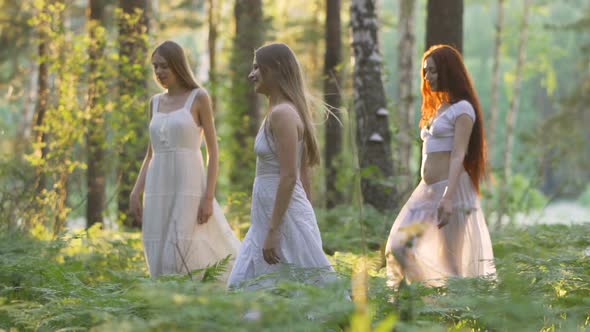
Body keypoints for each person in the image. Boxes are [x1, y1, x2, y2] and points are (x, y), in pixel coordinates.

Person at [385, 44, 496, 287]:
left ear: (448, 71)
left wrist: (448, 197)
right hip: (427, 191)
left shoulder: (463, 109)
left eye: (432, 71)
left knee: (451, 261)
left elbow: (458, 154)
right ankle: (428, 300)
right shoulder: (440, 109)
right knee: (398, 246)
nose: (427, 77)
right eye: (425, 71)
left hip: (451, 190)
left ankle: (454, 313)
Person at [130, 40, 240, 279]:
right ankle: (167, 304)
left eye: (164, 66)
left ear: (178, 66)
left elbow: (213, 151)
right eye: (155, 67)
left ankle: (207, 297)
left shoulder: (199, 97)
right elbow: (151, 154)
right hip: (158, 188)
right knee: (157, 246)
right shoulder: (155, 103)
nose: (159, 72)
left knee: (186, 245)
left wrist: (208, 196)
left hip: (188, 186)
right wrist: (136, 192)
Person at [227, 43, 334, 289]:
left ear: (273, 69)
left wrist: (275, 230)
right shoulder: (277, 112)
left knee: (301, 290)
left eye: (256, 67)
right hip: (265, 218)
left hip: (280, 219)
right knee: (249, 286)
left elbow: (289, 176)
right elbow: (302, 172)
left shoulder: (283, 114)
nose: (251, 75)